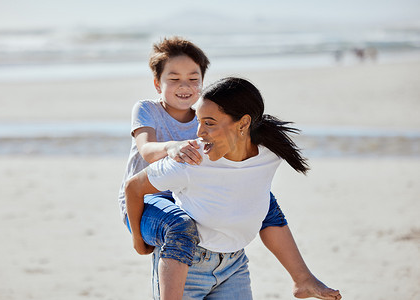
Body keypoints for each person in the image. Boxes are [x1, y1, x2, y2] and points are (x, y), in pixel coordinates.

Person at [118, 36, 340, 299]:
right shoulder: (148, 110)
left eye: (193, 78)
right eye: (174, 79)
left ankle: (302, 278)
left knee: (264, 199)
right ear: (157, 83)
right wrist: (172, 148)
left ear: (202, 82)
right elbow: (145, 150)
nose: (184, 85)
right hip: (147, 200)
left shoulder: (205, 115)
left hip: (186, 191)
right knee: (180, 226)